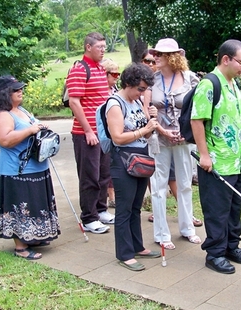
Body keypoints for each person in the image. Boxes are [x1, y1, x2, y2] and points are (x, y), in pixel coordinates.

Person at [191, 39, 241, 274]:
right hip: (216, 163)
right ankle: (215, 253)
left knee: (234, 209)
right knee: (217, 210)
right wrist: (204, 155)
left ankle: (231, 246)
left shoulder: (234, 84)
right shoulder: (209, 84)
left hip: (236, 161)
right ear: (226, 59)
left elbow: (235, 120)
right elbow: (197, 120)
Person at [0, 75, 60, 260]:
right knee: (21, 205)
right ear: (6, 93)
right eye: (16, 90)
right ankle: (20, 246)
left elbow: (32, 126)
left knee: (35, 202)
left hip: (36, 166)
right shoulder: (3, 115)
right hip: (17, 170)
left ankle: (33, 237)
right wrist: (30, 130)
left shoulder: (22, 110)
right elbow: (4, 140)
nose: (20, 92)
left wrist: (40, 127)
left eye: (21, 88)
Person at [145, 38, 201, 250]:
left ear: (172, 57)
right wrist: (161, 130)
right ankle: (161, 234)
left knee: (185, 183)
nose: (155, 58)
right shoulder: (152, 80)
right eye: (155, 54)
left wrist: (187, 133)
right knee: (158, 186)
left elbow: (198, 109)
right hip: (159, 138)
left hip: (184, 138)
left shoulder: (190, 79)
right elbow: (146, 110)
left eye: (159, 54)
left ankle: (187, 228)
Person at [106, 63, 160, 271]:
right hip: (123, 160)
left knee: (136, 207)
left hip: (140, 158)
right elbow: (118, 137)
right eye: (140, 88)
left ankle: (137, 246)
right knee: (124, 209)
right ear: (128, 83)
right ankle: (125, 254)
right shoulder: (115, 104)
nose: (143, 93)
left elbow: (145, 132)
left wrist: (151, 123)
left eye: (145, 89)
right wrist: (144, 130)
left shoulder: (136, 101)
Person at [66, 32, 114, 234]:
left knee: (104, 174)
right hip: (86, 134)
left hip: (102, 133)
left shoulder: (100, 69)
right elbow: (74, 102)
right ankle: (89, 217)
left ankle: (101, 209)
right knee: (89, 176)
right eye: (99, 47)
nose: (103, 51)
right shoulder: (80, 69)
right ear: (88, 47)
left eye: (104, 47)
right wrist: (88, 130)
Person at [101, 58, 120, 208]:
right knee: (105, 165)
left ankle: (113, 194)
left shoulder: (114, 91)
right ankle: (110, 196)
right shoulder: (101, 92)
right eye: (114, 74)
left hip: (115, 132)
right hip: (104, 134)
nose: (117, 77)